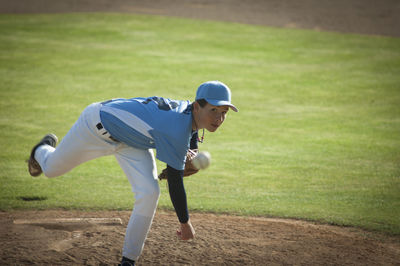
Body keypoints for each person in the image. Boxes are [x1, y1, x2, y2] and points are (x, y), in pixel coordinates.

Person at [27, 80, 238, 265]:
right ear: (197, 107)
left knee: (149, 192)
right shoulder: (175, 127)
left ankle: (128, 261)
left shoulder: (188, 113)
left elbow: (190, 132)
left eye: (224, 113)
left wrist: (190, 152)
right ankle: (41, 149)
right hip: (94, 126)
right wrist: (185, 224)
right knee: (52, 168)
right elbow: (175, 181)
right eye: (213, 110)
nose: (219, 118)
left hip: (132, 142)